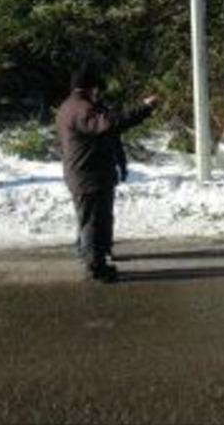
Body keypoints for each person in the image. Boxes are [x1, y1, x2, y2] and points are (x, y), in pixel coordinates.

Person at [56, 63, 159, 282]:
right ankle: (96, 268)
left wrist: (119, 163)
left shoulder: (70, 106)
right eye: (96, 88)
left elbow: (108, 135)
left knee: (92, 220)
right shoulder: (82, 109)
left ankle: (93, 258)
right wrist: (144, 108)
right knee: (93, 221)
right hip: (88, 175)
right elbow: (111, 126)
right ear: (89, 88)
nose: (99, 92)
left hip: (88, 173)